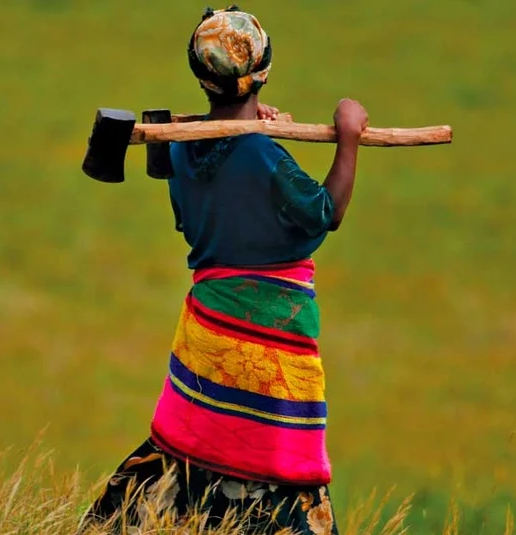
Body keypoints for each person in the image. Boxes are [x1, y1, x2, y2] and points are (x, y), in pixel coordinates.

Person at [78, 5, 368, 535]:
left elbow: (193, 220)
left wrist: (258, 132)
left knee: (193, 439)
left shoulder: (185, 150)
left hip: (208, 331)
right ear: (263, 72)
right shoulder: (264, 157)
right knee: (275, 460)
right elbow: (326, 213)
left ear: (201, 78)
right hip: (268, 341)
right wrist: (349, 135)